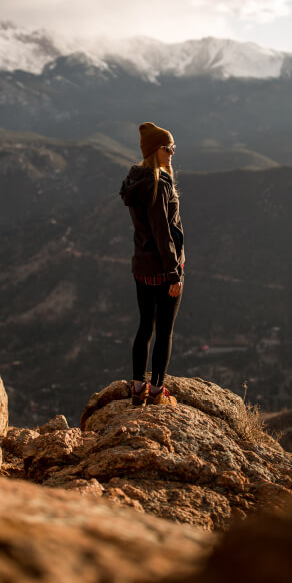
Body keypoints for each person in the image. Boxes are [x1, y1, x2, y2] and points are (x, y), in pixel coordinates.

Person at [119, 121, 185, 406]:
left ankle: (137, 387)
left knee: (145, 326)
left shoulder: (136, 180)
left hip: (142, 268)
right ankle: (157, 392)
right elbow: (163, 233)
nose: (172, 152)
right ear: (154, 150)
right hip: (163, 268)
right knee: (164, 331)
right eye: (167, 148)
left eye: (173, 147)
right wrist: (174, 273)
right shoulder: (158, 185)